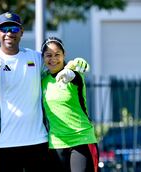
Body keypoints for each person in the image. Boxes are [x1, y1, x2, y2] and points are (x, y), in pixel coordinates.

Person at [0, 12, 89, 172]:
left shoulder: (35, 57)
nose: (9, 33)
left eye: (14, 29)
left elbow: (57, 65)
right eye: (4, 29)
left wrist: (73, 65)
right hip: (5, 143)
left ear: (21, 32)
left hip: (38, 142)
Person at [41, 37, 98, 172]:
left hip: (81, 140)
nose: (53, 59)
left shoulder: (74, 75)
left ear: (64, 55)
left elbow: (75, 77)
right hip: (56, 144)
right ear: (43, 57)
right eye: (48, 55)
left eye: (57, 55)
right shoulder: (43, 81)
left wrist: (69, 73)